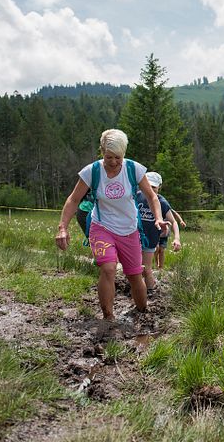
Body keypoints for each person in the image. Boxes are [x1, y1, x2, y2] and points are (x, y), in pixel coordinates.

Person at [55, 129, 166, 321]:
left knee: (134, 275)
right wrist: (63, 227)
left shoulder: (134, 169)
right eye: (108, 157)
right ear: (101, 151)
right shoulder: (92, 172)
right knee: (108, 268)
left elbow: (151, 196)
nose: (113, 162)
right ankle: (108, 318)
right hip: (101, 227)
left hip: (129, 230)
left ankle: (142, 312)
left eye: (118, 157)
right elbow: (73, 200)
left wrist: (157, 218)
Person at [137, 171, 181, 290]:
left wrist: (177, 239)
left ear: (159, 187)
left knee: (146, 268)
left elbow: (174, 222)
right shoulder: (137, 196)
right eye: (148, 186)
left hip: (150, 239)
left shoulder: (162, 202)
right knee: (134, 268)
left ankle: (150, 290)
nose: (150, 190)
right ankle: (136, 290)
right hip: (134, 238)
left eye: (154, 187)